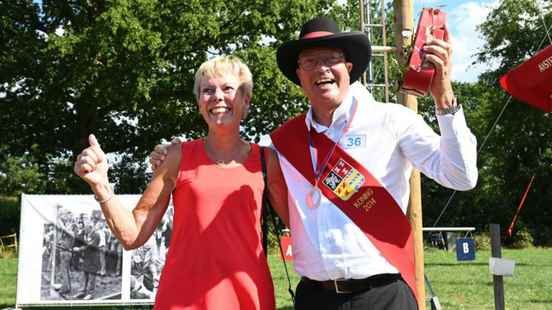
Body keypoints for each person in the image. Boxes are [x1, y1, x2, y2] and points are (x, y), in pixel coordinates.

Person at [151, 16, 478, 310]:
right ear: (299, 75)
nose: (321, 68)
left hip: (384, 296)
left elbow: (461, 177)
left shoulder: (392, 120)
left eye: (331, 59)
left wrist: (444, 97)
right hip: (314, 299)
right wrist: (171, 154)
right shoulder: (279, 145)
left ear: (348, 67)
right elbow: (228, 159)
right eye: (310, 62)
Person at [74, 55, 288, 310]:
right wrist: (101, 186)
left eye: (228, 89)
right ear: (199, 103)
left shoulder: (268, 161)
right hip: (184, 297)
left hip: (248, 296)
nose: (217, 96)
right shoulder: (177, 156)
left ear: (246, 101)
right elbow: (132, 235)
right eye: (207, 90)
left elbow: (302, 226)